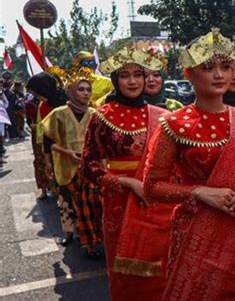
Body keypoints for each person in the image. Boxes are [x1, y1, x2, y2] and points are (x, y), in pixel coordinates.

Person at [141, 28, 235, 300]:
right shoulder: (173, 125)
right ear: (188, 73)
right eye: (209, 67)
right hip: (195, 232)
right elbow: (152, 187)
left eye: (226, 67)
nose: (220, 75)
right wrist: (198, 192)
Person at [78, 47, 172, 300]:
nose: (132, 81)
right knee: (124, 270)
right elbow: (89, 166)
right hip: (119, 201)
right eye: (125, 75)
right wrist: (128, 182)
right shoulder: (102, 116)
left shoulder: (163, 116)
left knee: (161, 267)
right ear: (115, 80)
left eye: (138, 75)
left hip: (158, 201)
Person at [40, 68, 95, 250]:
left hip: (89, 167)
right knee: (66, 200)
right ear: (70, 90)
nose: (85, 93)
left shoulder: (96, 114)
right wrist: (65, 154)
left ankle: (88, 240)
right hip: (65, 164)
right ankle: (69, 233)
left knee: (87, 203)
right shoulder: (58, 113)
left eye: (88, 89)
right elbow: (49, 142)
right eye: (81, 89)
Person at [25, 72, 68, 200]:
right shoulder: (43, 105)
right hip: (51, 146)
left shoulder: (67, 101)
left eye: (38, 93)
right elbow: (44, 131)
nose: (37, 97)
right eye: (35, 95)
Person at [0, 84, 11, 167]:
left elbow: (6, 104)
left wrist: (2, 95)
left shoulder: (1, 99)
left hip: (1, 121)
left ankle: (0, 158)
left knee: (1, 138)